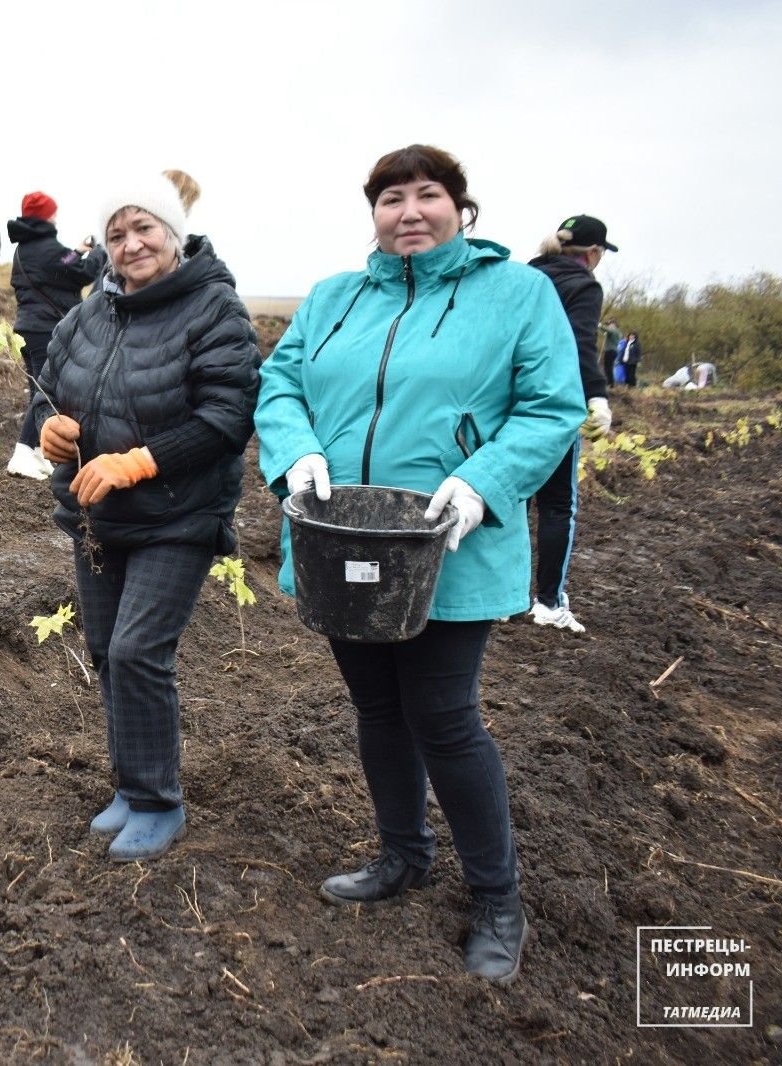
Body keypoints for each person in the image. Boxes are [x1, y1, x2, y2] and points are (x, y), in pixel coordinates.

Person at [254, 145, 583, 985]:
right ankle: (403, 855)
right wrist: (296, 454)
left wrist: (482, 483)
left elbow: (552, 409)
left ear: (459, 208)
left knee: (442, 714)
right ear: (374, 214)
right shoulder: (335, 298)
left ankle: (497, 899)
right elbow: (279, 385)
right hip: (341, 541)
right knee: (375, 706)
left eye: (427, 195)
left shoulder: (516, 294)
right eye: (391, 198)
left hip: (449, 545)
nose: (409, 211)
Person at [31, 170, 260, 862]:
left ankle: (161, 801)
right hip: (99, 517)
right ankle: (131, 788)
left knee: (138, 651)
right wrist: (49, 427)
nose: (131, 245)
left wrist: (140, 460)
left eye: (144, 229)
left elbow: (228, 416)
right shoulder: (88, 313)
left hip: (177, 515)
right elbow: (47, 387)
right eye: (117, 234)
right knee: (106, 653)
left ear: (173, 233)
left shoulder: (214, 309)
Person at [525, 214, 617, 634]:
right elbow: (580, 345)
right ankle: (548, 602)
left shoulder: (525, 278)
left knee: (508, 500)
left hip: (503, 406)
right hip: (551, 405)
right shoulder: (582, 285)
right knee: (558, 504)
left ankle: (501, 596)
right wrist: (595, 396)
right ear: (594, 254)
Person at [6, 190, 103, 479]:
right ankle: (23, 452)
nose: (56, 216)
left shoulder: (25, 248)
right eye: (53, 212)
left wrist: (78, 249)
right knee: (44, 394)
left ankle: (37, 452)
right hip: (45, 331)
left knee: (40, 391)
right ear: (45, 216)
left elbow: (63, 265)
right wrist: (98, 252)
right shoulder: (47, 247)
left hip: (28, 329)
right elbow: (81, 273)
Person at [600, 317, 622, 389]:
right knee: (607, 367)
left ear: (614, 324)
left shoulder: (616, 331)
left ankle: (611, 384)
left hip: (611, 351)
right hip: (610, 351)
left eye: (610, 324)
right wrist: (601, 328)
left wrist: (600, 325)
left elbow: (607, 330)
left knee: (609, 367)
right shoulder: (612, 331)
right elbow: (605, 331)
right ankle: (609, 382)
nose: (609, 325)